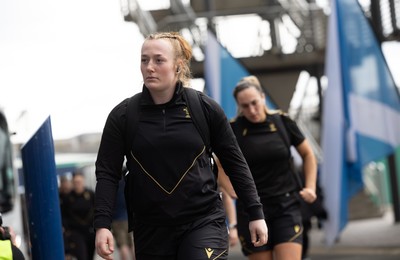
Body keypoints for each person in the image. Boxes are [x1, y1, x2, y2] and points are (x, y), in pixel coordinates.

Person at [94, 31, 268, 260]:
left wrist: (255, 213)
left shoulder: (205, 109)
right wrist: (102, 224)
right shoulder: (123, 116)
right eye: (144, 60)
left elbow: (235, 162)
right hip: (151, 229)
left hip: (203, 220)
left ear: (178, 66)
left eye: (158, 60)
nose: (149, 67)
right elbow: (107, 172)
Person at [218, 75, 318, 260]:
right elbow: (218, 163)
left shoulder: (282, 121)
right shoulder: (233, 129)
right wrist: (230, 188)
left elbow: (308, 154)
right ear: (239, 106)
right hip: (252, 208)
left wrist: (310, 186)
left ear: (263, 97)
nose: (252, 109)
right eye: (245, 106)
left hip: (286, 205)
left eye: (254, 102)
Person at [62, 171, 96, 260]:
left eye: (79, 182)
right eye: (75, 182)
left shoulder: (90, 194)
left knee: (90, 254)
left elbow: (96, 209)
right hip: (76, 231)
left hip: (90, 230)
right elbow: (64, 214)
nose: (77, 184)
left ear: (83, 181)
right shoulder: (68, 197)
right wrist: (67, 228)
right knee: (82, 255)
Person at [111, 169, 135, 260]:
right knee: (132, 244)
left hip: (117, 219)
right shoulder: (127, 183)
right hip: (129, 218)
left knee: (123, 245)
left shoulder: (115, 184)